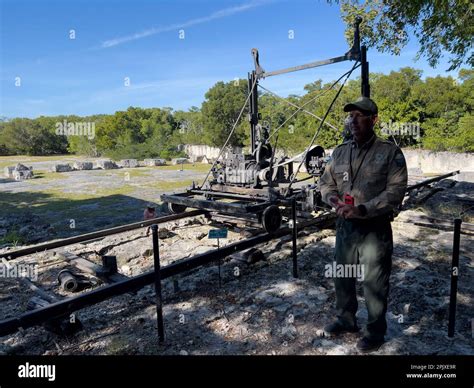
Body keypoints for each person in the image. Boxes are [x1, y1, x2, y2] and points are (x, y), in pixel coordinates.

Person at [319, 96, 408, 352]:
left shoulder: (390, 153)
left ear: (374, 120)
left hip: (374, 228)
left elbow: (395, 192)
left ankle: (375, 332)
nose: (353, 120)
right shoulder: (339, 152)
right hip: (346, 226)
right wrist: (333, 200)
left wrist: (362, 209)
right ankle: (346, 320)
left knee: (374, 282)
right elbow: (325, 183)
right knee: (343, 278)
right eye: (350, 116)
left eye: (360, 116)